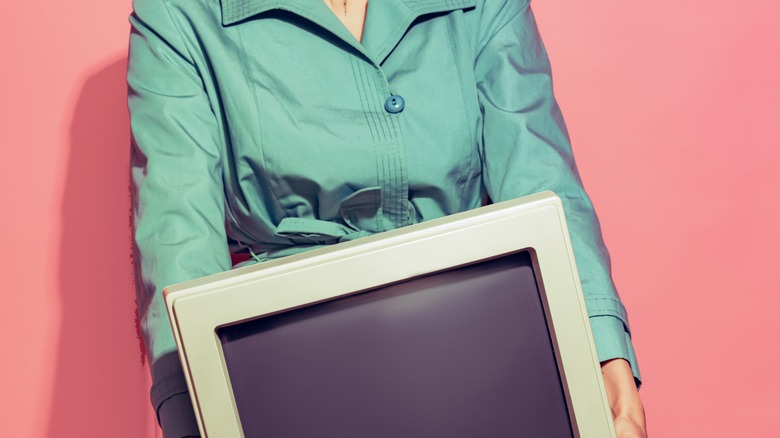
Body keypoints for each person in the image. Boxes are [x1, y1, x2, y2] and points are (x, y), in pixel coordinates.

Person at [127, 0, 647, 436]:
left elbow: (541, 176)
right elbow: (177, 234)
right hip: (286, 371)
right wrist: (191, 413)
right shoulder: (177, 10)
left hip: (493, 346)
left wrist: (601, 350)